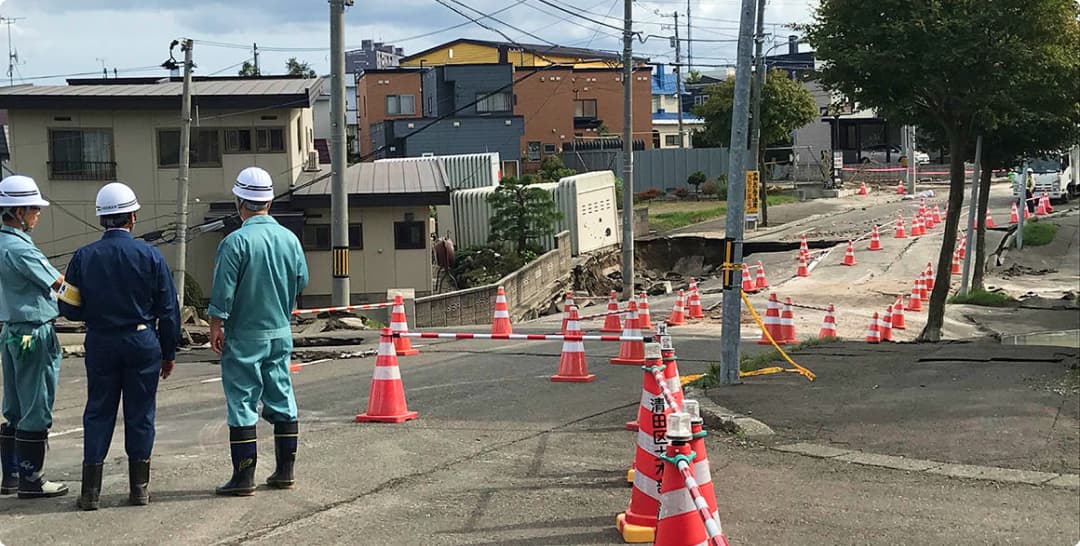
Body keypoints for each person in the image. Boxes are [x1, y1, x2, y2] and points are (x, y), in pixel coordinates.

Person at [57, 182, 180, 510]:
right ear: (132, 217)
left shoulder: (83, 256)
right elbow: (168, 311)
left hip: (101, 340)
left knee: (98, 411)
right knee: (140, 414)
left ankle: (90, 493)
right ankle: (139, 489)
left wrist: (93, 311)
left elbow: (67, 306)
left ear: (101, 219)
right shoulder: (151, 255)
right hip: (142, 340)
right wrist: (169, 354)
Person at [209, 167, 308, 496]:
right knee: (282, 396)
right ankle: (285, 471)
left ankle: (243, 477)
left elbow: (223, 291)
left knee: (242, 400)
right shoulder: (289, 239)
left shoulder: (235, 242)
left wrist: (215, 324)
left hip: (244, 333)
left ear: (240, 202)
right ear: (268, 202)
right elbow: (301, 281)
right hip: (279, 331)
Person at [0, 174, 68, 499]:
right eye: (34, 210)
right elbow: (60, 286)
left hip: (11, 333)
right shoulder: (21, 249)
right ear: (19, 211)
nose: (38, 215)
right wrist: (89, 296)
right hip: (33, 333)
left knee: (13, 403)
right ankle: (32, 479)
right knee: (36, 403)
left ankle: (11, 476)